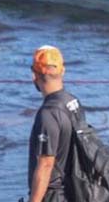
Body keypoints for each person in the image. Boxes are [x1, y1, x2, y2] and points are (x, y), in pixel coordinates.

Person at [27, 45, 84, 202]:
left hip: (53, 194)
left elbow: (46, 164)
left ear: (34, 75)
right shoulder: (73, 102)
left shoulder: (48, 113)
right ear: (62, 71)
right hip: (73, 190)